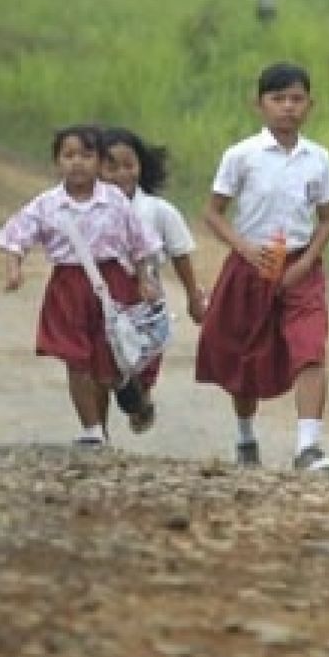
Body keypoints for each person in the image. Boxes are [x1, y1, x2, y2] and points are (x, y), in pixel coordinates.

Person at [195, 61, 329, 471]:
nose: (288, 108)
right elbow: (213, 212)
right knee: (245, 356)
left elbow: (328, 219)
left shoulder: (319, 159)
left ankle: (308, 446)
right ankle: (245, 435)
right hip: (250, 265)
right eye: (278, 99)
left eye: (297, 99)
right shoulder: (242, 156)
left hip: (301, 268)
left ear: (310, 105)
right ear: (259, 104)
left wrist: (308, 260)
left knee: (310, 348)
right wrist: (244, 249)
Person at [0, 124, 162, 447]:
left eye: (87, 155)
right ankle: (92, 430)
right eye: (69, 155)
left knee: (112, 360)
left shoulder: (114, 200)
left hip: (112, 284)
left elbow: (139, 242)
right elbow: (18, 235)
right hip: (68, 289)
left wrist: (143, 280)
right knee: (76, 359)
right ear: (57, 161)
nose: (78, 163)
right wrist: (13, 269)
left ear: (99, 162)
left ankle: (130, 393)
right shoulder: (47, 205)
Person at [99, 126, 206, 433]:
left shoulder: (159, 211)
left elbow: (181, 254)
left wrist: (193, 297)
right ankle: (97, 432)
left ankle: (140, 396)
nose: (121, 174)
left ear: (141, 166)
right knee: (101, 366)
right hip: (102, 296)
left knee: (140, 364)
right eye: (111, 166)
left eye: (129, 165)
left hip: (145, 301)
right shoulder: (88, 210)